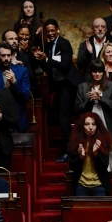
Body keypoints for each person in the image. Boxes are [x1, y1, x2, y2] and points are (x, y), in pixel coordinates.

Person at [33, 19, 82, 163]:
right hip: (57, 86)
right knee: (58, 118)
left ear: (58, 30)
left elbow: (65, 65)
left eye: (52, 30)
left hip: (68, 85)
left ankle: (69, 152)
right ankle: (69, 149)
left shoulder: (64, 43)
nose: (50, 33)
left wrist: (47, 59)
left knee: (63, 118)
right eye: (47, 31)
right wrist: (40, 60)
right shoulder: (47, 46)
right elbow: (48, 67)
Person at [68, 112, 112, 196]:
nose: (91, 127)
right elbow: (72, 166)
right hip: (81, 185)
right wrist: (80, 157)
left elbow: (104, 166)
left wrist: (96, 154)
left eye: (93, 124)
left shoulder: (103, 142)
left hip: (99, 185)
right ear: (82, 126)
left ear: (97, 127)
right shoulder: (75, 142)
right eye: (87, 124)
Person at [75, 58, 112, 142]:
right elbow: (78, 108)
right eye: (94, 71)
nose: (97, 74)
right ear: (90, 72)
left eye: (100, 71)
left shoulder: (111, 86)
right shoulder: (82, 87)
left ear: (103, 72)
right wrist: (90, 101)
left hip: (107, 125)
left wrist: (100, 99)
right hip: (88, 126)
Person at [0, 42, 30, 132]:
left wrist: (14, 82)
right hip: (0, 120)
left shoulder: (22, 71)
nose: (6, 58)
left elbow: (26, 96)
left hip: (18, 119)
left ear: (12, 56)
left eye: (8, 55)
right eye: (3, 55)